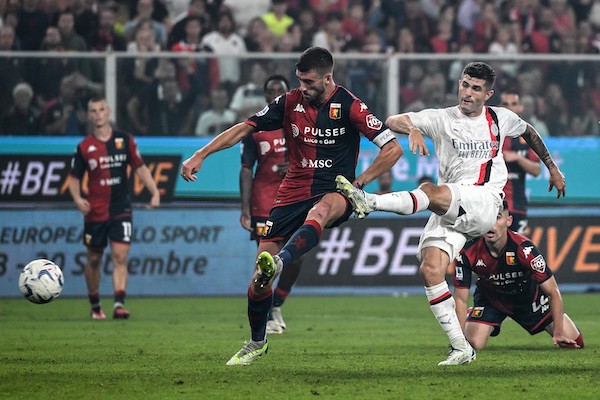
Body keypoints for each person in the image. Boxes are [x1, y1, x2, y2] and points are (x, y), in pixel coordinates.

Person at [181, 47, 402, 365]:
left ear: (328, 78)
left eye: (308, 82)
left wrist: (359, 184)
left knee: (320, 212)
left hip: (334, 190)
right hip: (291, 193)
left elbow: (392, 148)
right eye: (299, 80)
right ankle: (257, 342)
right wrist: (201, 154)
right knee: (259, 281)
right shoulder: (288, 102)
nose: (302, 87)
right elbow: (244, 128)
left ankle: (281, 261)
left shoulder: (350, 105)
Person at [336, 61, 566, 366]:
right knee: (430, 269)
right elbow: (392, 120)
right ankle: (460, 347)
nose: (468, 93)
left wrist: (552, 168)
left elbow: (529, 132)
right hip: (453, 209)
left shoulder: (500, 117)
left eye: (476, 89)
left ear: (488, 94)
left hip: (485, 201)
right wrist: (413, 128)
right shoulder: (441, 118)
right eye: (465, 85)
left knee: (429, 191)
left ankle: (368, 202)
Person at [69, 95, 160, 320]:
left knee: (119, 257)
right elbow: (74, 178)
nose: (98, 114)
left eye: (101, 109)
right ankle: (95, 305)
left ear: (108, 112)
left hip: (121, 208)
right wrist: (77, 198)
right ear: (89, 116)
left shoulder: (125, 140)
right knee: (93, 259)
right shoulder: (84, 147)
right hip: (95, 212)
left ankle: (119, 304)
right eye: (93, 111)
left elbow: (140, 167)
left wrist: (155, 191)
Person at [453, 200, 583, 350]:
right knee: (473, 344)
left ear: (508, 221)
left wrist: (558, 333)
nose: (491, 224)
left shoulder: (525, 249)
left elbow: (553, 292)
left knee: (574, 343)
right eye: (487, 218)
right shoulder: (467, 251)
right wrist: (459, 340)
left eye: (497, 218)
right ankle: (474, 316)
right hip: (491, 300)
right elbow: (460, 299)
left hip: (528, 299)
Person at [239, 74, 300, 335]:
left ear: (288, 94)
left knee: (296, 258)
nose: (276, 94)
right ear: (265, 96)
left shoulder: (300, 122)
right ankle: (264, 314)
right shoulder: (256, 127)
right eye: (271, 90)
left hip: (295, 199)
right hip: (264, 203)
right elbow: (246, 169)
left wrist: (295, 165)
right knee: (266, 260)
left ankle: (276, 304)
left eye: (280, 90)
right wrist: (244, 209)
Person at [500, 89, 541, 235]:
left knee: (517, 247)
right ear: (500, 107)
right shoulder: (490, 134)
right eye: (505, 104)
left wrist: (518, 158)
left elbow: (536, 170)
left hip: (517, 205)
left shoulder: (527, 136)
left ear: (520, 107)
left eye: (513, 104)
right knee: (492, 247)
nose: (509, 108)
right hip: (492, 205)